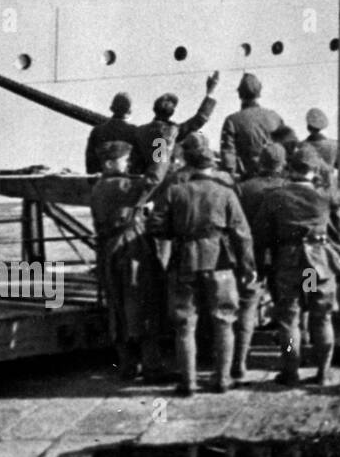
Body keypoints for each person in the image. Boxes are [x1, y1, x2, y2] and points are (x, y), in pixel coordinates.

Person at [148, 132, 255, 396]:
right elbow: (242, 235)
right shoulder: (226, 192)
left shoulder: (175, 191)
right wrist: (248, 268)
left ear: (191, 165)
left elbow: (155, 226)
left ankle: (188, 382)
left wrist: (178, 234)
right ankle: (222, 379)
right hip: (220, 262)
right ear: (211, 165)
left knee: (185, 325)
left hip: (184, 260)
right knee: (224, 321)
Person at [255, 145, 340, 385]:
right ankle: (323, 372)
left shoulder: (275, 197)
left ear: (290, 168)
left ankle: (291, 371)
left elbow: (261, 235)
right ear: (314, 172)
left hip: (289, 265)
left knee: (289, 320)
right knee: (321, 317)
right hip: (315, 268)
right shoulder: (324, 196)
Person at [90, 140, 163, 380]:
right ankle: (152, 368)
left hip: (109, 252)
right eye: (124, 159)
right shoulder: (119, 185)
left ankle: (128, 365)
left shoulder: (100, 186)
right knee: (142, 303)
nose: (128, 163)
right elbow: (152, 181)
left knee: (118, 309)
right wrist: (163, 146)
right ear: (110, 163)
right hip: (128, 250)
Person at [233, 143, 289, 381]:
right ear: (283, 164)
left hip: (251, 254)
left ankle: (240, 361)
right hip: (283, 255)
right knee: (288, 310)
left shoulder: (244, 188)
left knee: (246, 307)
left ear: (260, 163)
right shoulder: (288, 188)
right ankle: (289, 358)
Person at [131, 73, 219, 180]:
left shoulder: (140, 131)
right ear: (172, 112)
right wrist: (210, 93)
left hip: (144, 180)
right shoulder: (174, 130)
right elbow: (200, 118)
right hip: (166, 179)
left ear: (154, 109)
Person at [219, 73, 284, 180]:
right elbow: (286, 148)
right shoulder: (275, 117)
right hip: (275, 179)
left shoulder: (232, 121)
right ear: (259, 92)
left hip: (246, 180)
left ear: (239, 94)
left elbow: (228, 158)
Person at [86, 92, 137, 174]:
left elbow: (90, 161)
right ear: (129, 111)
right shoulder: (135, 131)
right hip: (126, 180)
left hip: (101, 179)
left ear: (112, 109)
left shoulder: (96, 131)